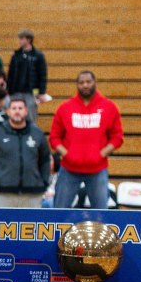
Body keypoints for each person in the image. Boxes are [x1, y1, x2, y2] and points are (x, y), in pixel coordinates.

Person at [48, 71, 123, 209]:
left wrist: (101, 154)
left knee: (101, 213)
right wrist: (67, 154)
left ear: (95, 83)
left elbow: (117, 137)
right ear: (77, 85)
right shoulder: (65, 108)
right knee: (58, 211)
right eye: (81, 83)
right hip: (69, 169)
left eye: (88, 82)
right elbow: (54, 137)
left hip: (97, 169)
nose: (85, 85)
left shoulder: (109, 107)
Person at [0, 96, 52, 207]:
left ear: (26, 111)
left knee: (30, 224)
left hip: (32, 194)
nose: (17, 111)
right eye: (14, 108)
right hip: (1, 193)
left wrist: (44, 183)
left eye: (20, 108)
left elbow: (45, 160)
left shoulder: (37, 133)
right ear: (8, 111)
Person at [6, 29, 49, 121]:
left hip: (30, 92)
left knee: (31, 117)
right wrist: (8, 90)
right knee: (14, 117)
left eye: (22, 38)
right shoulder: (16, 55)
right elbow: (10, 74)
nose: (20, 41)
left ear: (29, 39)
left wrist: (41, 92)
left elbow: (42, 75)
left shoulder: (38, 55)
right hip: (15, 92)